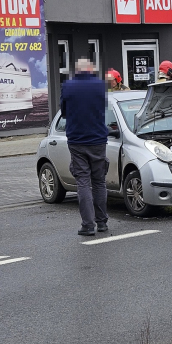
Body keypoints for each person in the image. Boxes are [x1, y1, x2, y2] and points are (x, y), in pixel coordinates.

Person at [61, 58, 109, 236]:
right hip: (98, 139)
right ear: (90, 69)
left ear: (76, 70)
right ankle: (102, 222)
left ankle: (88, 225)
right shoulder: (99, 85)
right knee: (99, 181)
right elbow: (103, 108)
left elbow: (64, 112)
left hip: (77, 140)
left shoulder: (68, 86)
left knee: (83, 182)